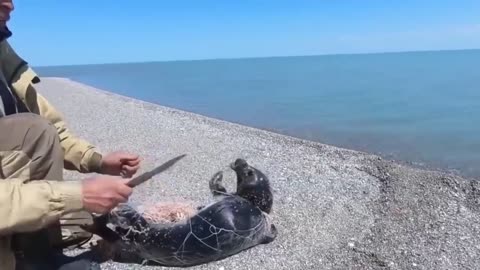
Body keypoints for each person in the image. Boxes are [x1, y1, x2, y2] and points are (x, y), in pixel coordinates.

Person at [0, 0, 142, 269]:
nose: (10, 5)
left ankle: (31, 250)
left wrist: (97, 160)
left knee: (82, 221)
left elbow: (47, 124)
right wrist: (75, 195)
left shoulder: (2, 55)